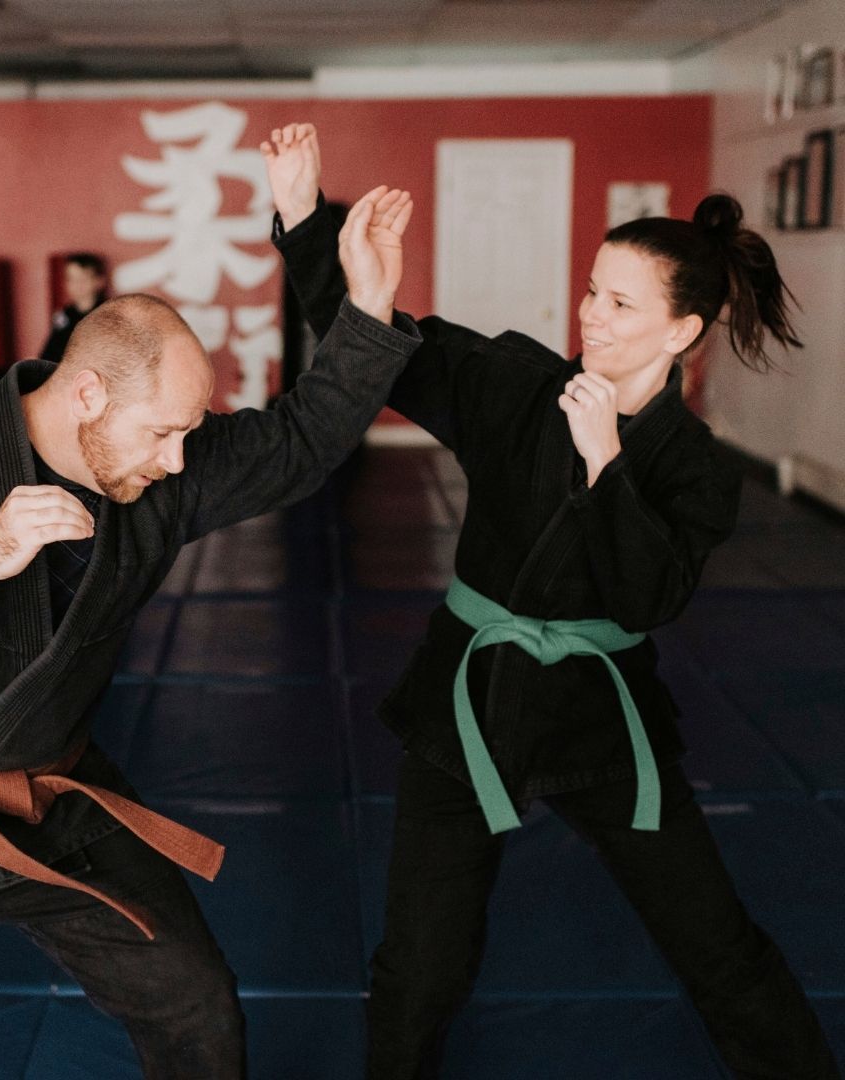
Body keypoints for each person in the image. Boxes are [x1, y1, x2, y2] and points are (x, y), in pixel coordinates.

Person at [0, 170, 418, 1079]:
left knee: (194, 1006)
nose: (179, 457)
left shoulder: (160, 469)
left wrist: (371, 302)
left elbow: (301, 440)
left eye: (190, 432)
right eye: (163, 432)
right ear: (86, 398)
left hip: (50, 802)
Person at [264, 122, 840, 1080]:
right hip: (466, 698)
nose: (593, 316)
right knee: (419, 969)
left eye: (620, 302)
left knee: (718, 949)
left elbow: (648, 596)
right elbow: (381, 348)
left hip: (602, 722)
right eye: (590, 291)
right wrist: (302, 218)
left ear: (684, 330)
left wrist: (609, 460)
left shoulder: (696, 471)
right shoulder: (521, 388)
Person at [40, 252, 109, 363]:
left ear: (100, 281)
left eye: (83, 278)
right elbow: (48, 354)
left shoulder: (108, 313)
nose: (77, 284)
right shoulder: (63, 316)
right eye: (71, 279)